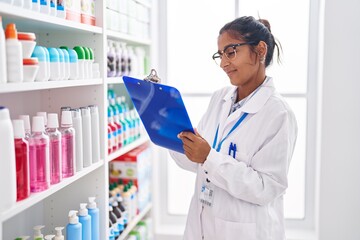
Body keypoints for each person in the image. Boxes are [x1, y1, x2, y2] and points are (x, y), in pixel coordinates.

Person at [169, 16, 298, 240]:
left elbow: (265, 188)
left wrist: (209, 157)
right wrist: (170, 131)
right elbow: (196, 162)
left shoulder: (279, 114)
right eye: (220, 55)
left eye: (231, 52)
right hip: (202, 225)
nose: (223, 63)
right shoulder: (220, 98)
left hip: (247, 231)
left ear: (259, 50)